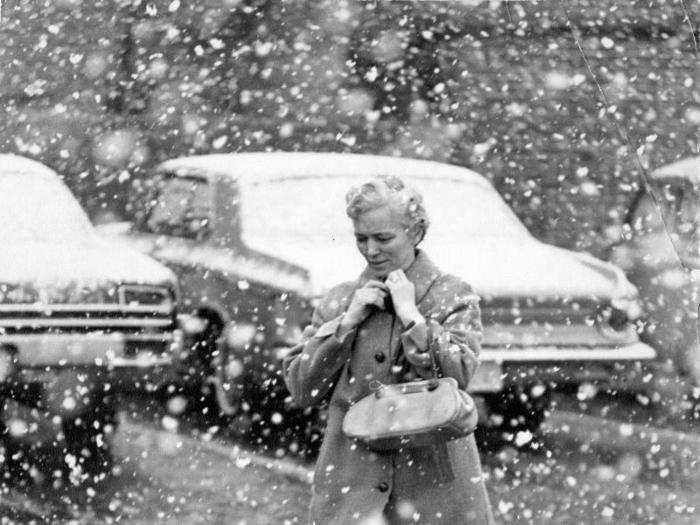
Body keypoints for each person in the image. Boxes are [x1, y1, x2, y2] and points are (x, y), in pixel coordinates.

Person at [283, 176, 494, 524]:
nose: (370, 250)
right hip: (353, 488)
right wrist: (345, 326)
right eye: (361, 238)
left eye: (383, 238)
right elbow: (302, 388)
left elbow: (458, 376)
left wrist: (413, 318)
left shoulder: (451, 295)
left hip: (432, 492)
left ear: (415, 232)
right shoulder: (340, 300)